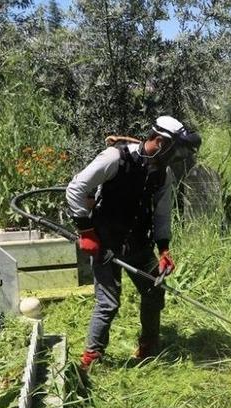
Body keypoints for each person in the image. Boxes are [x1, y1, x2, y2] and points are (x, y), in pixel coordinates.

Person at [66, 115, 200, 370]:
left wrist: (164, 249)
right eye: (175, 152)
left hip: (139, 243)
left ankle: (148, 345)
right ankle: (91, 358)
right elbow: (75, 189)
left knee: (154, 290)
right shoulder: (115, 158)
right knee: (108, 302)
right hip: (105, 243)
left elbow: (162, 214)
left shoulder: (163, 173)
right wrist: (87, 232)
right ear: (160, 142)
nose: (176, 159)